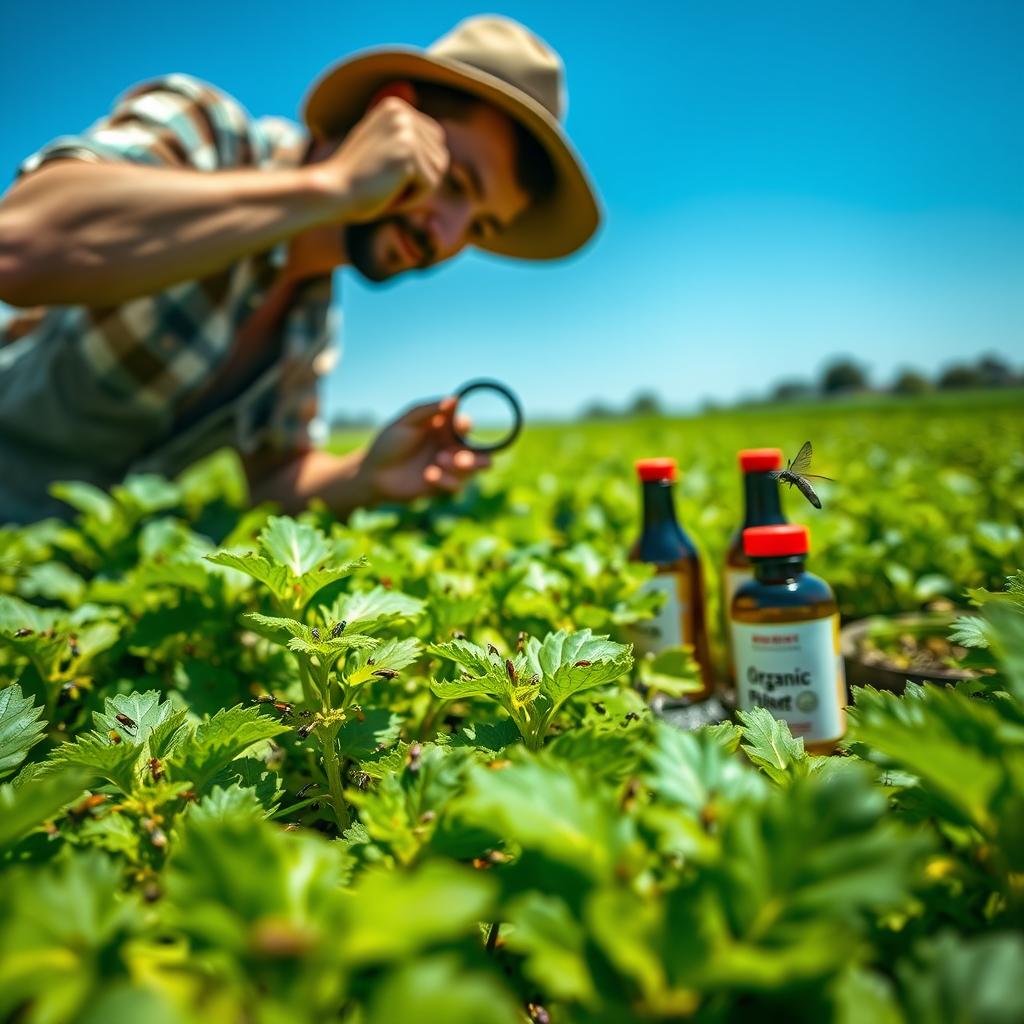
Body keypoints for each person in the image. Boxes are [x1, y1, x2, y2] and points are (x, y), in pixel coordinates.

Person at [0, 15, 600, 524]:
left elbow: (274, 479)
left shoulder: (309, 319)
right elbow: (18, 244)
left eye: (479, 227)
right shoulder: (209, 140)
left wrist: (366, 474)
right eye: (453, 181)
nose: (445, 236)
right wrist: (333, 187)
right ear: (392, 112)